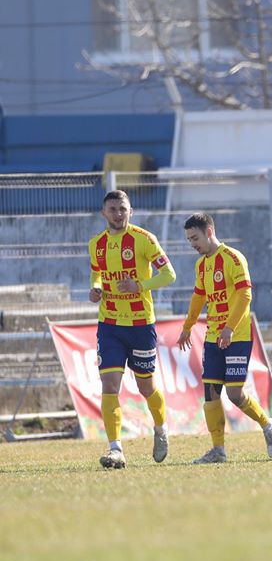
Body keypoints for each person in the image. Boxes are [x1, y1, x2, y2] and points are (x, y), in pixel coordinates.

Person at [176, 213, 272, 464]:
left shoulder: (233, 258)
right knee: (211, 393)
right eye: (190, 239)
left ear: (209, 230)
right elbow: (198, 297)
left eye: (195, 238)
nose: (193, 244)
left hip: (237, 335)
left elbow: (245, 296)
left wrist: (230, 328)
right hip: (213, 336)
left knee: (234, 394)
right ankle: (218, 450)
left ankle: (268, 425)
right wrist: (188, 326)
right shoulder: (201, 265)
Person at [88, 190, 176, 469]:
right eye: (112, 209)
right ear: (104, 213)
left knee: (145, 386)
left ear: (131, 211)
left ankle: (161, 429)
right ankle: (115, 449)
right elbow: (97, 272)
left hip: (140, 324)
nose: (117, 213)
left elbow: (169, 275)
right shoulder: (96, 244)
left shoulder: (144, 239)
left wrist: (140, 286)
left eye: (122, 209)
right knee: (109, 385)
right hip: (110, 324)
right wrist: (97, 289)